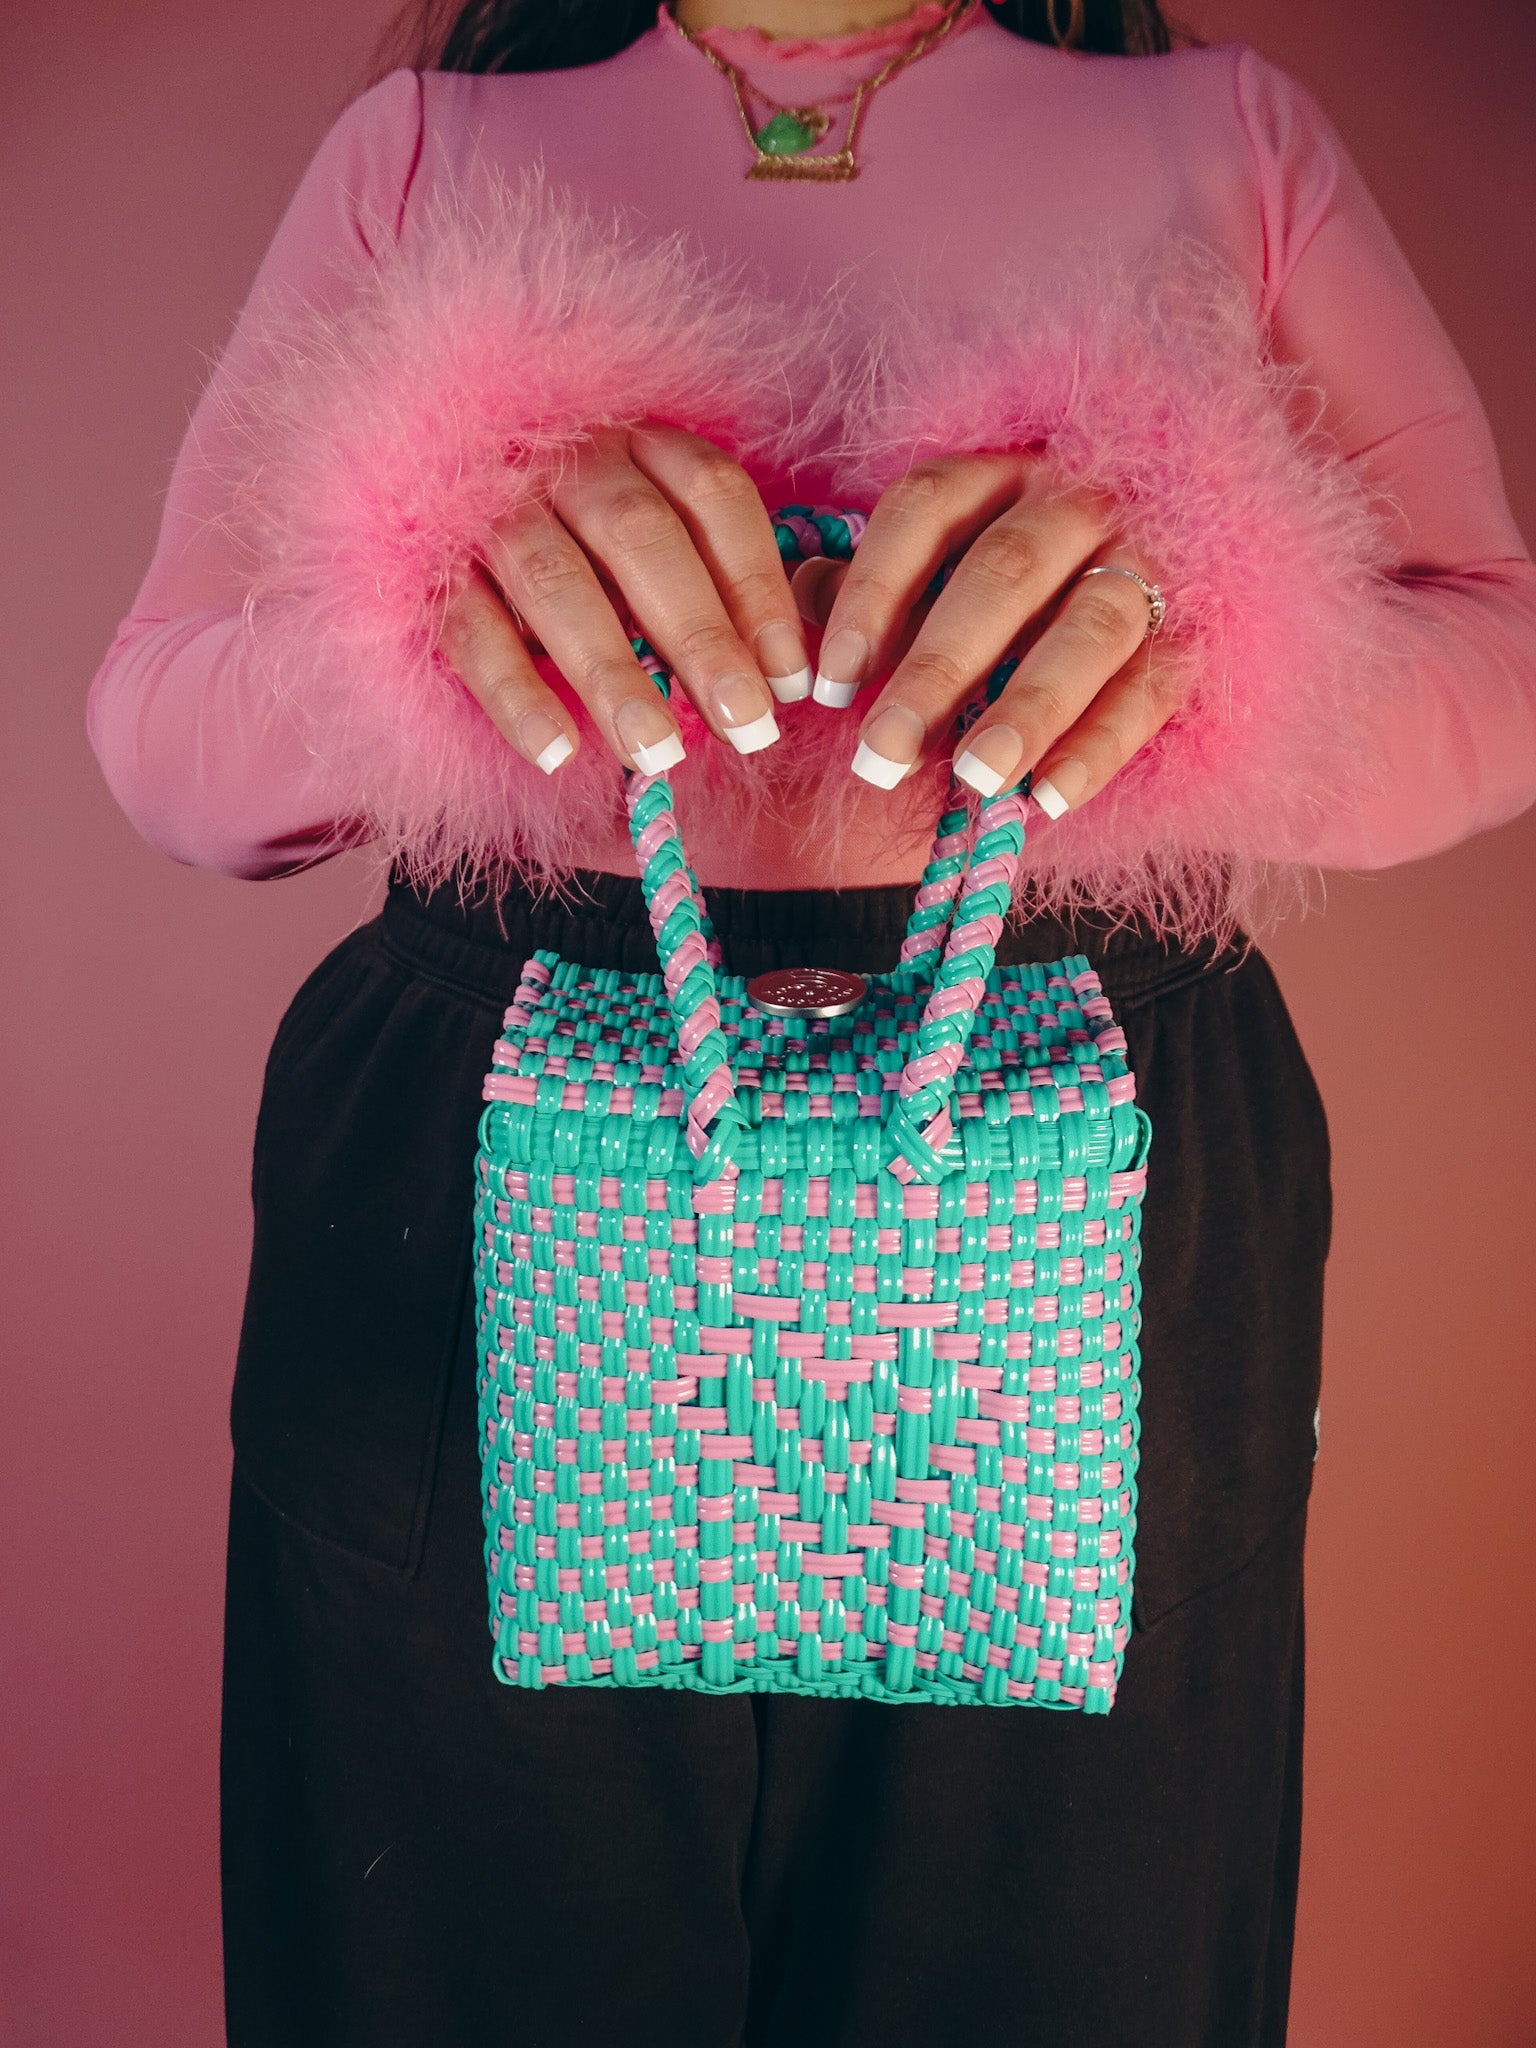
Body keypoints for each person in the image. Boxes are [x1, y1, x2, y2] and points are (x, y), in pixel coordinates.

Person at [87, 1, 1536, 2042]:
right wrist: (423, 596)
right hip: (487, 1139)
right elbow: (162, 733)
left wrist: (1201, 618)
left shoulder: (1233, 137)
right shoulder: (424, 149)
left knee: (1064, 1972)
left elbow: (1499, 656)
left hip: (1096, 1143)